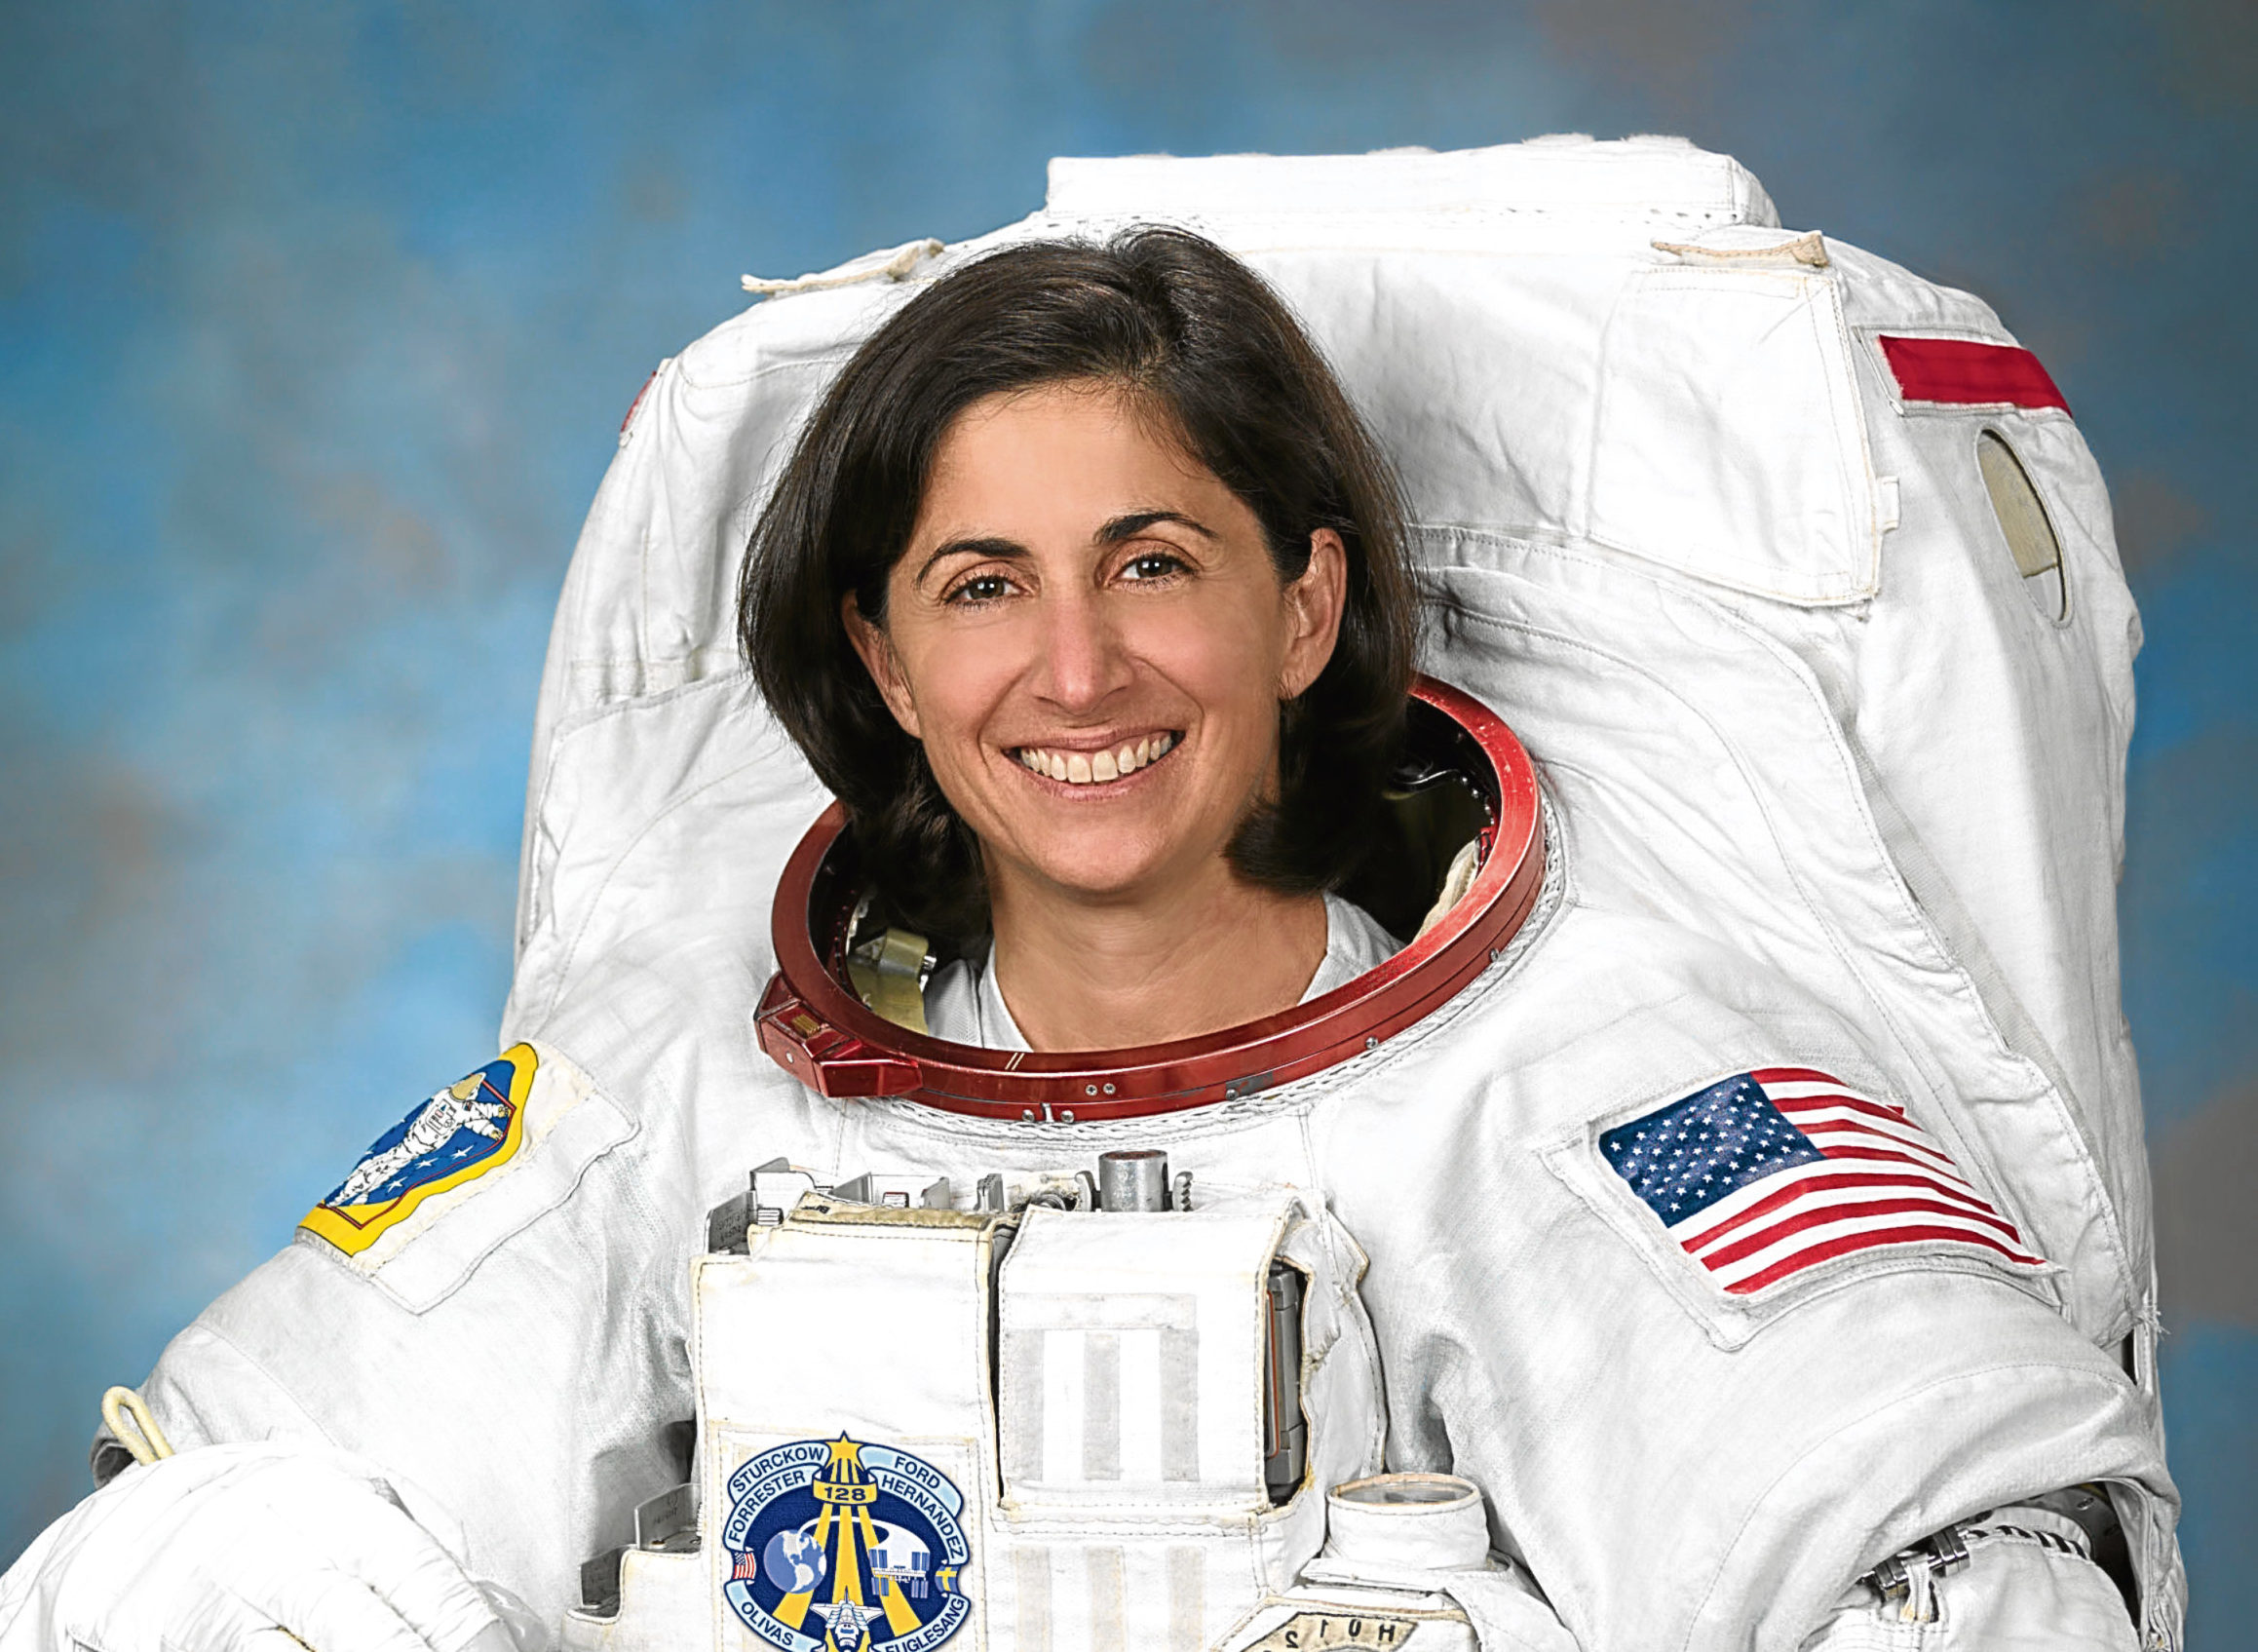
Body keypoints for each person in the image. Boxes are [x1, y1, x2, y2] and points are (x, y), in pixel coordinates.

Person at [0, 227, 2171, 1652]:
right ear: (880, 650)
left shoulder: (1600, 1085)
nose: (1074, 667)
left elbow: (1981, 1583)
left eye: (1152, 563)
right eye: (979, 585)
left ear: (1303, 606)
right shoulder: (684, 1063)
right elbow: (212, 1523)